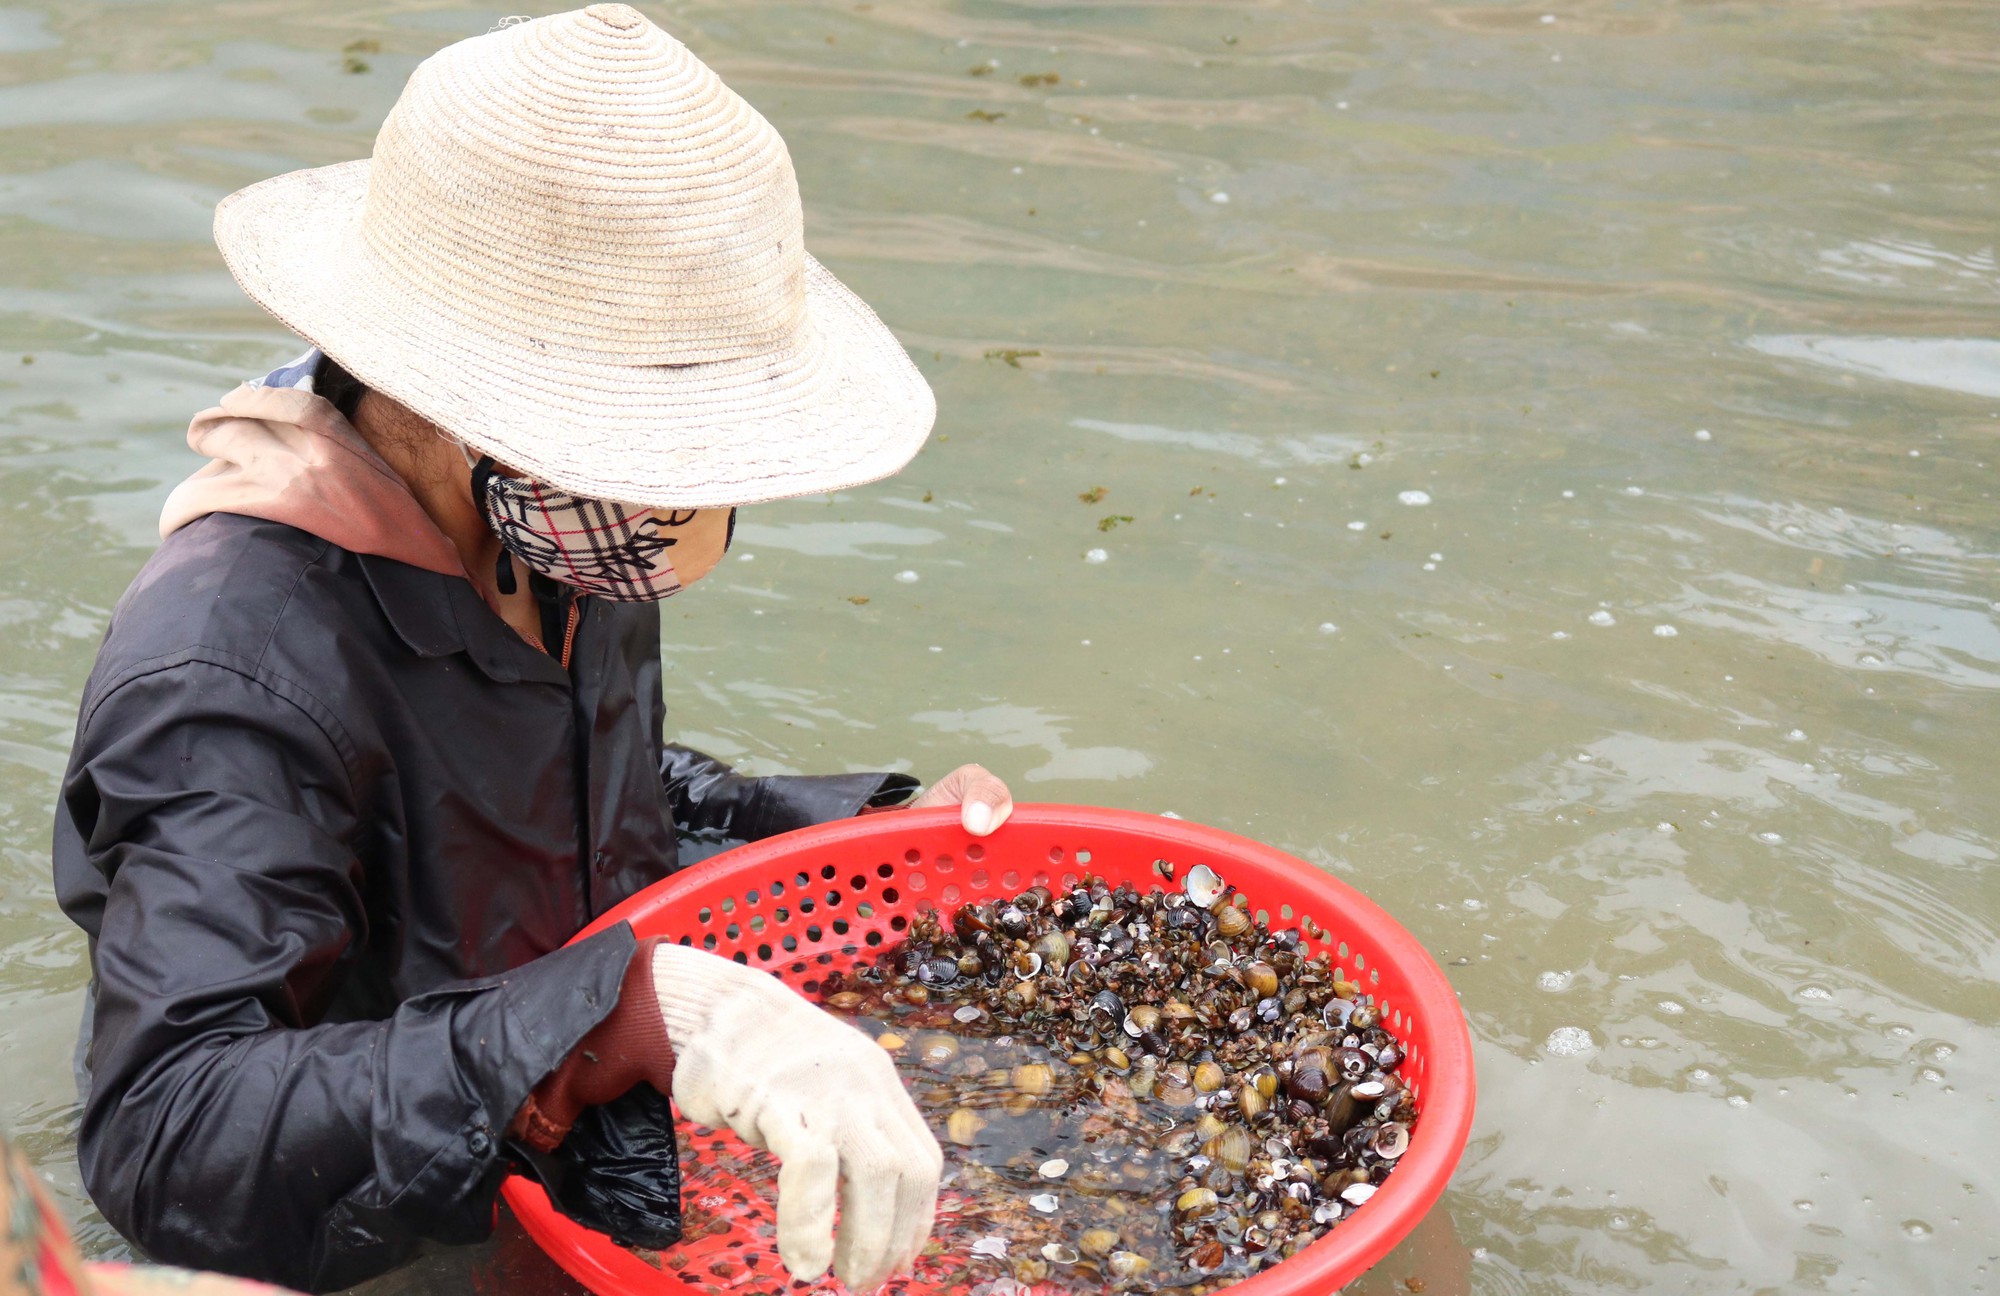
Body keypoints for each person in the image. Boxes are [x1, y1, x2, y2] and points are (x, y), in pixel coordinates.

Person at [49, 7, 1013, 1292]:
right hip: (360, 1242)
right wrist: (623, 1013)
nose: (677, 483)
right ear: (454, 406)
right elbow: (172, 1135)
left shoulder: (564, 529)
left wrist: (857, 847)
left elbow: (577, 794)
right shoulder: (229, 670)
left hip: (557, 1154)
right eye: (638, 432)